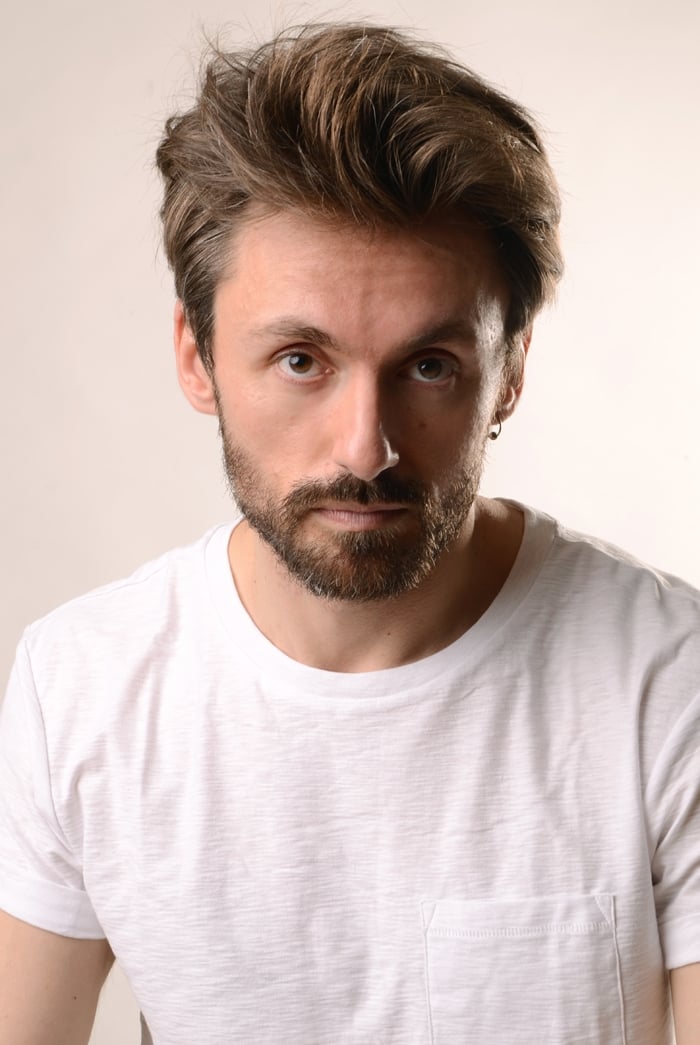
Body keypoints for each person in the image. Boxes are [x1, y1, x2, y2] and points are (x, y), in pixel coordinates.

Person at [0, 21, 698, 1045]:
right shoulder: (83, 687)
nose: (366, 448)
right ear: (197, 357)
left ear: (508, 373)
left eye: (429, 365)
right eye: (301, 360)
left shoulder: (668, 680)